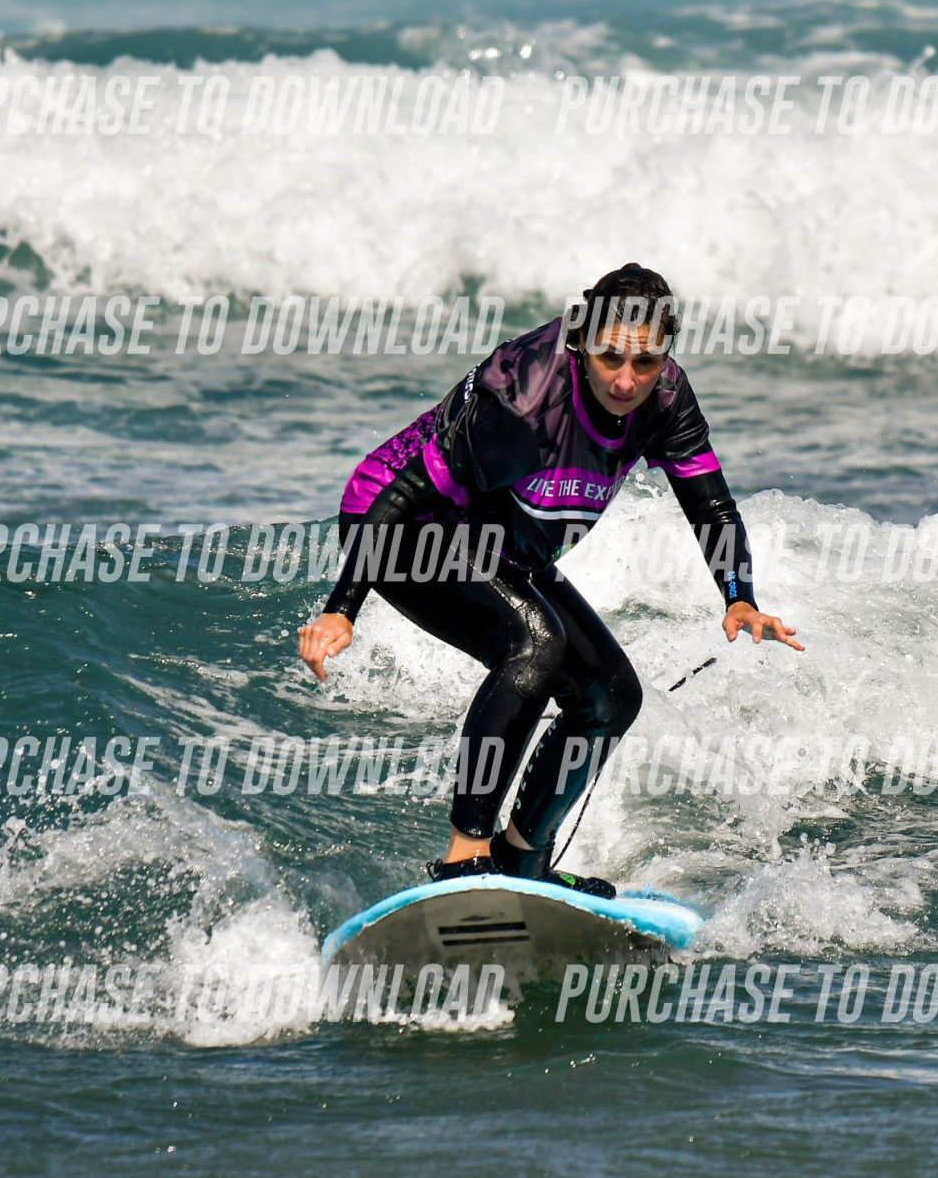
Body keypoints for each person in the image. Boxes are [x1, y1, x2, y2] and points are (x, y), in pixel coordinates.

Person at [298, 263, 802, 894]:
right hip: (403, 524)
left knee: (611, 697)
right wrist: (343, 606)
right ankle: (464, 857)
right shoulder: (524, 398)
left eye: (645, 362)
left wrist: (739, 597)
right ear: (581, 339)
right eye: (610, 357)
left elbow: (712, 505)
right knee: (534, 641)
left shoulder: (667, 399)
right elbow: (403, 492)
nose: (626, 380)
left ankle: (521, 859)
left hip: (500, 541)